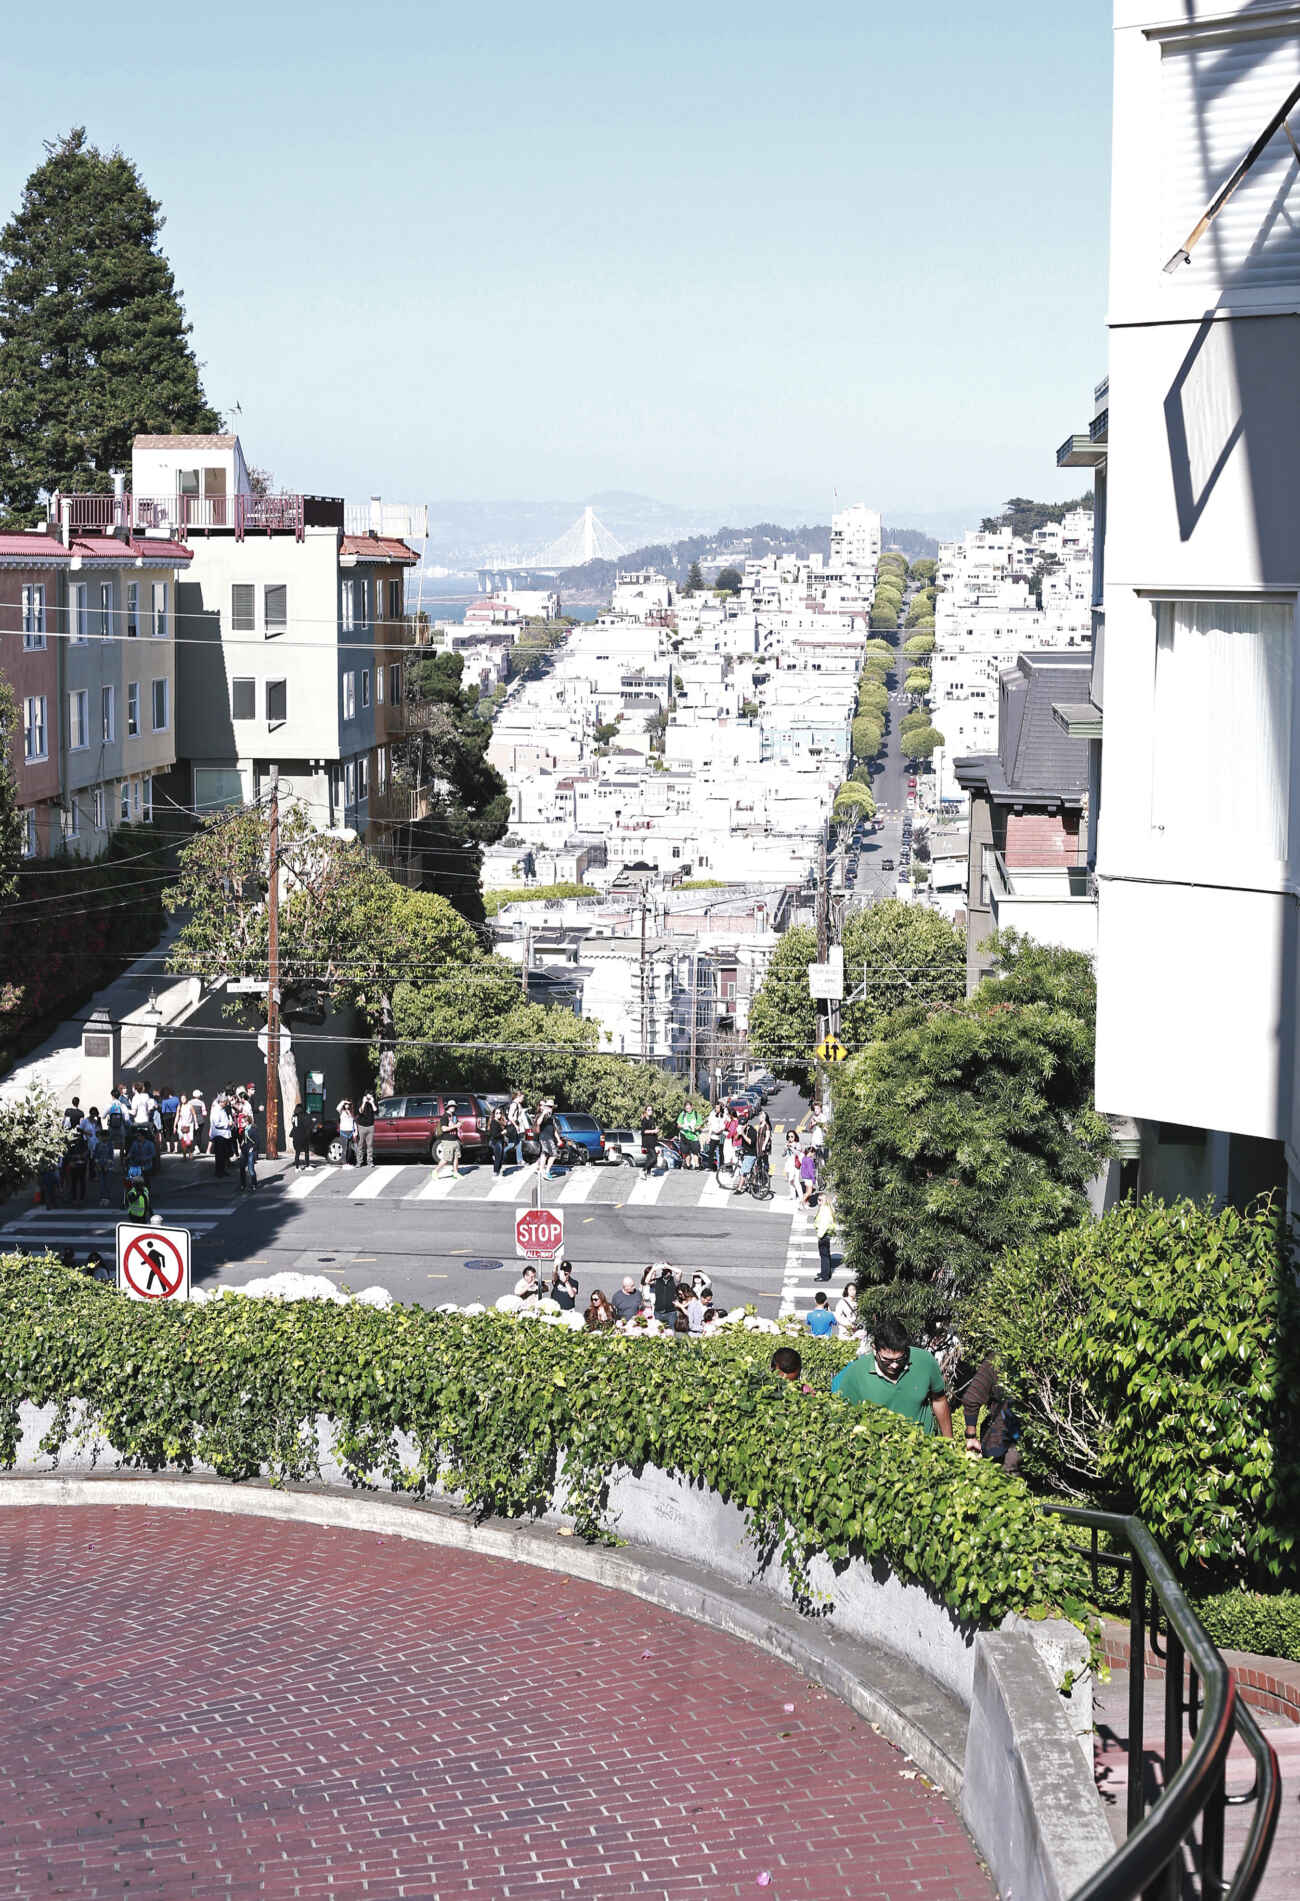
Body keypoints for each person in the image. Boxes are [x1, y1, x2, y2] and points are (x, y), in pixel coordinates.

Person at [831, 1314, 954, 1438]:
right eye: (887, 1360)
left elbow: (939, 1400)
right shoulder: (855, 1373)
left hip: (924, 1447)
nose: (894, 1366)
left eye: (900, 1359)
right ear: (874, 1350)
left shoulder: (925, 1361)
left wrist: (949, 1443)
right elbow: (844, 1417)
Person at [959, 1357, 1023, 1474]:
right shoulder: (1052, 1360)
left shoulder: (998, 1359)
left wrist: (971, 1436)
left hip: (999, 1443)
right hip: (1040, 1446)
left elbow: (971, 1399)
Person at [208, 1094, 233, 1178]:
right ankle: (218, 1172)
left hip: (224, 1135)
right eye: (226, 1102)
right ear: (221, 1102)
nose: (226, 1104)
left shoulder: (222, 1109)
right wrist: (227, 1124)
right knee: (219, 1155)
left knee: (223, 1154)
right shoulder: (216, 1110)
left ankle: (222, 1170)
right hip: (219, 1135)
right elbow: (216, 1123)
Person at [63, 1125, 89, 1203]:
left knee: (81, 1182)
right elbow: (67, 1154)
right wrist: (74, 1157)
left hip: (81, 1163)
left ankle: (81, 1198)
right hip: (74, 1164)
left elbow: (87, 1152)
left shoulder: (82, 1142)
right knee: (74, 1182)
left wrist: (82, 1156)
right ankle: (75, 1197)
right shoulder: (71, 1143)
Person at [536, 1096, 559, 1180]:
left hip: (550, 1137)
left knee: (544, 1153)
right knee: (554, 1154)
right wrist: (543, 1113)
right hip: (545, 1138)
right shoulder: (542, 1115)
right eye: (549, 1106)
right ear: (545, 1107)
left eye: (551, 1107)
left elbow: (554, 1129)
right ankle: (547, 1171)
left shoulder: (552, 1117)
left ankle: (541, 1170)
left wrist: (558, 1139)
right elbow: (538, 1123)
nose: (550, 1108)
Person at [815, 1192, 836, 1280]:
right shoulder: (825, 1208)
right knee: (825, 1255)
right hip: (825, 1235)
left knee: (824, 1256)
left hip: (824, 1235)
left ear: (825, 1200)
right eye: (818, 1199)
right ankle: (825, 1272)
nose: (819, 1202)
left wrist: (820, 1235)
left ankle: (825, 1276)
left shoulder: (825, 1210)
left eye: (821, 1200)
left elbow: (824, 1224)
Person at [434, 1109, 461, 1179]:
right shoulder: (444, 1117)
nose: (453, 1108)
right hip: (447, 1140)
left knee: (456, 1157)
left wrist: (459, 1125)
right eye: (451, 1106)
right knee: (446, 1158)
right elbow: (444, 1129)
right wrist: (455, 1126)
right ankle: (435, 1171)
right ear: (448, 1107)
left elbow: (456, 1125)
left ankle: (455, 1173)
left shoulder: (454, 1116)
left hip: (455, 1139)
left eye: (454, 1106)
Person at [677, 1099, 702, 1167]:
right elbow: (678, 1125)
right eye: (686, 1108)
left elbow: (699, 1125)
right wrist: (682, 1126)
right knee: (686, 1152)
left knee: (695, 1152)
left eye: (689, 1107)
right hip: (684, 1135)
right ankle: (688, 1165)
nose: (688, 1109)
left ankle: (697, 1165)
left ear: (692, 1107)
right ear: (685, 1108)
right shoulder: (682, 1114)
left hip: (694, 1136)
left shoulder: (696, 1114)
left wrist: (695, 1128)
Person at [487, 1103, 511, 1176]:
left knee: (501, 1157)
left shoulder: (500, 1122)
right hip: (496, 1142)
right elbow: (494, 1135)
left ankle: (498, 1172)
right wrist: (502, 1132)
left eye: (500, 1113)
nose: (498, 1114)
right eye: (497, 1113)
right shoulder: (494, 1123)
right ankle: (495, 1172)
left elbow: (508, 1129)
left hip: (500, 1141)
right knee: (498, 1158)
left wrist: (507, 1126)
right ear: (494, 1114)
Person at [355, 1091, 377, 1167]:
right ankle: (359, 1162)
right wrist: (364, 1102)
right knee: (360, 1145)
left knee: (370, 1145)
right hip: (361, 1126)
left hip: (370, 1126)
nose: (370, 1096)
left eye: (371, 1095)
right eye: (369, 1094)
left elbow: (376, 1111)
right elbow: (360, 1111)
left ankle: (370, 1162)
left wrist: (372, 1103)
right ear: (365, 1095)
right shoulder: (361, 1101)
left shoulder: (373, 1101)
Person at [703, 1102, 726, 1171]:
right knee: (711, 1151)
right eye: (716, 1107)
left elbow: (725, 1124)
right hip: (713, 1135)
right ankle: (710, 1166)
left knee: (721, 1152)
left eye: (718, 1108)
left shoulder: (724, 1115)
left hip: (721, 1135)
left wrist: (721, 1130)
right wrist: (708, 1137)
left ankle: (721, 1167)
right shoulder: (712, 1114)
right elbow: (710, 1125)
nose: (717, 1109)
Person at [238, 1120, 258, 1193]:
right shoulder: (244, 1131)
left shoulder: (253, 1130)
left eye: (242, 1122)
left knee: (250, 1169)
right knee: (242, 1168)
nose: (241, 1123)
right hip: (244, 1151)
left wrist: (252, 1149)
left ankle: (254, 1184)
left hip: (250, 1152)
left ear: (247, 1122)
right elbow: (244, 1140)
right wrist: (241, 1146)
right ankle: (243, 1184)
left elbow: (257, 1142)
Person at [781, 1128, 801, 1201]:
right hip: (788, 1163)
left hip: (795, 1164)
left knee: (794, 1181)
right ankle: (793, 1195)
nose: (790, 1138)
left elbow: (799, 1153)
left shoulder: (797, 1144)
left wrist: (792, 1148)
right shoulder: (787, 1144)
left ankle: (800, 1196)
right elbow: (783, 1155)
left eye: (792, 1136)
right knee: (790, 1181)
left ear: (795, 1137)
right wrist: (785, 1149)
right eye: (788, 1137)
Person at [639, 1103, 659, 1174]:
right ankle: (643, 1170)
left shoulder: (651, 1118)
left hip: (652, 1141)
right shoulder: (644, 1119)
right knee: (654, 1158)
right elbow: (643, 1131)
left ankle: (648, 1172)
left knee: (651, 1158)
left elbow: (652, 1128)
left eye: (651, 1110)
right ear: (645, 1111)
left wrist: (656, 1130)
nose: (650, 1111)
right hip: (647, 1141)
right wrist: (653, 1131)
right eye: (648, 1110)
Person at [290, 1102, 311, 1169]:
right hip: (303, 1136)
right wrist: (308, 1114)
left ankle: (297, 1168)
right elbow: (306, 1125)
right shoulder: (303, 1115)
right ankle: (307, 1165)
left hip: (295, 1136)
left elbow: (293, 1125)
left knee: (297, 1153)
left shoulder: (294, 1116)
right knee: (306, 1151)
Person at [159, 1086, 180, 1154]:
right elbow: (178, 1108)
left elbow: (163, 1111)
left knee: (167, 1132)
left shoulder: (164, 1101)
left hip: (166, 1117)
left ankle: (168, 1148)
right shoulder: (176, 1099)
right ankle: (176, 1148)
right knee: (174, 1131)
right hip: (174, 1116)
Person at [337, 1098, 357, 1165]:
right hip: (344, 1132)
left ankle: (348, 1162)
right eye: (346, 1104)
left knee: (349, 1149)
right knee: (344, 1149)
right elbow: (338, 1108)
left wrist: (355, 1131)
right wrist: (343, 1101)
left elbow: (353, 1122)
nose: (347, 1105)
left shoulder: (351, 1112)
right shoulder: (341, 1112)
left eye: (348, 1104)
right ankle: (344, 1163)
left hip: (350, 1132)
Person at [797, 1142, 818, 1207]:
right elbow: (810, 1171)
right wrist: (813, 1179)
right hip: (809, 1178)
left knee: (807, 1190)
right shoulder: (809, 1160)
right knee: (809, 1192)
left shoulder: (804, 1158)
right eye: (814, 1153)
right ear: (811, 1152)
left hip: (804, 1177)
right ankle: (801, 1202)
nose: (814, 1154)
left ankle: (805, 1201)